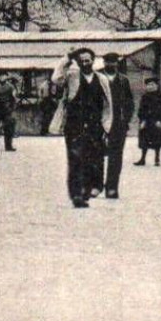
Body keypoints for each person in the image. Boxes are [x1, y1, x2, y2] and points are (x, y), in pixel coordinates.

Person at [52, 47, 111, 208]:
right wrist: (67, 59)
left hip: (95, 125)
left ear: (93, 60)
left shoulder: (102, 79)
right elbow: (56, 79)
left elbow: (107, 105)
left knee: (95, 159)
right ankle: (77, 195)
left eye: (88, 60)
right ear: (78, 62)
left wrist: (107, 126)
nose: (85, 63)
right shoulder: (72, 77)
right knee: (76, 159)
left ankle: (92, 188)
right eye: (82, 61)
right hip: (74, 124)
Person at [101, 53, 134, 200]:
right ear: (104, 62)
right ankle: (96, 184)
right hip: (100, 123)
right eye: (108, 62)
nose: (111, 65)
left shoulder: (123, 80)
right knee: (96, 154)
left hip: (118, 124)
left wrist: (126, 119)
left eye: (114, 62)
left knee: (116, 156)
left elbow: (129, 102)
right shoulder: (97, 78)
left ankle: (112, 187)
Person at [134, 76, 161, 166]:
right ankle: (142, 159)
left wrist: (160, 120)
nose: (150, 86)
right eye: (148, 85)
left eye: (152, 85)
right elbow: (141, 110)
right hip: (146, 122)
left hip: (157, 122)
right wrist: (142, 120)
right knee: (144, 140)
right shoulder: (144, 97)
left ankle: (157, 159)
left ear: (157, 86)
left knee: (157, 140)